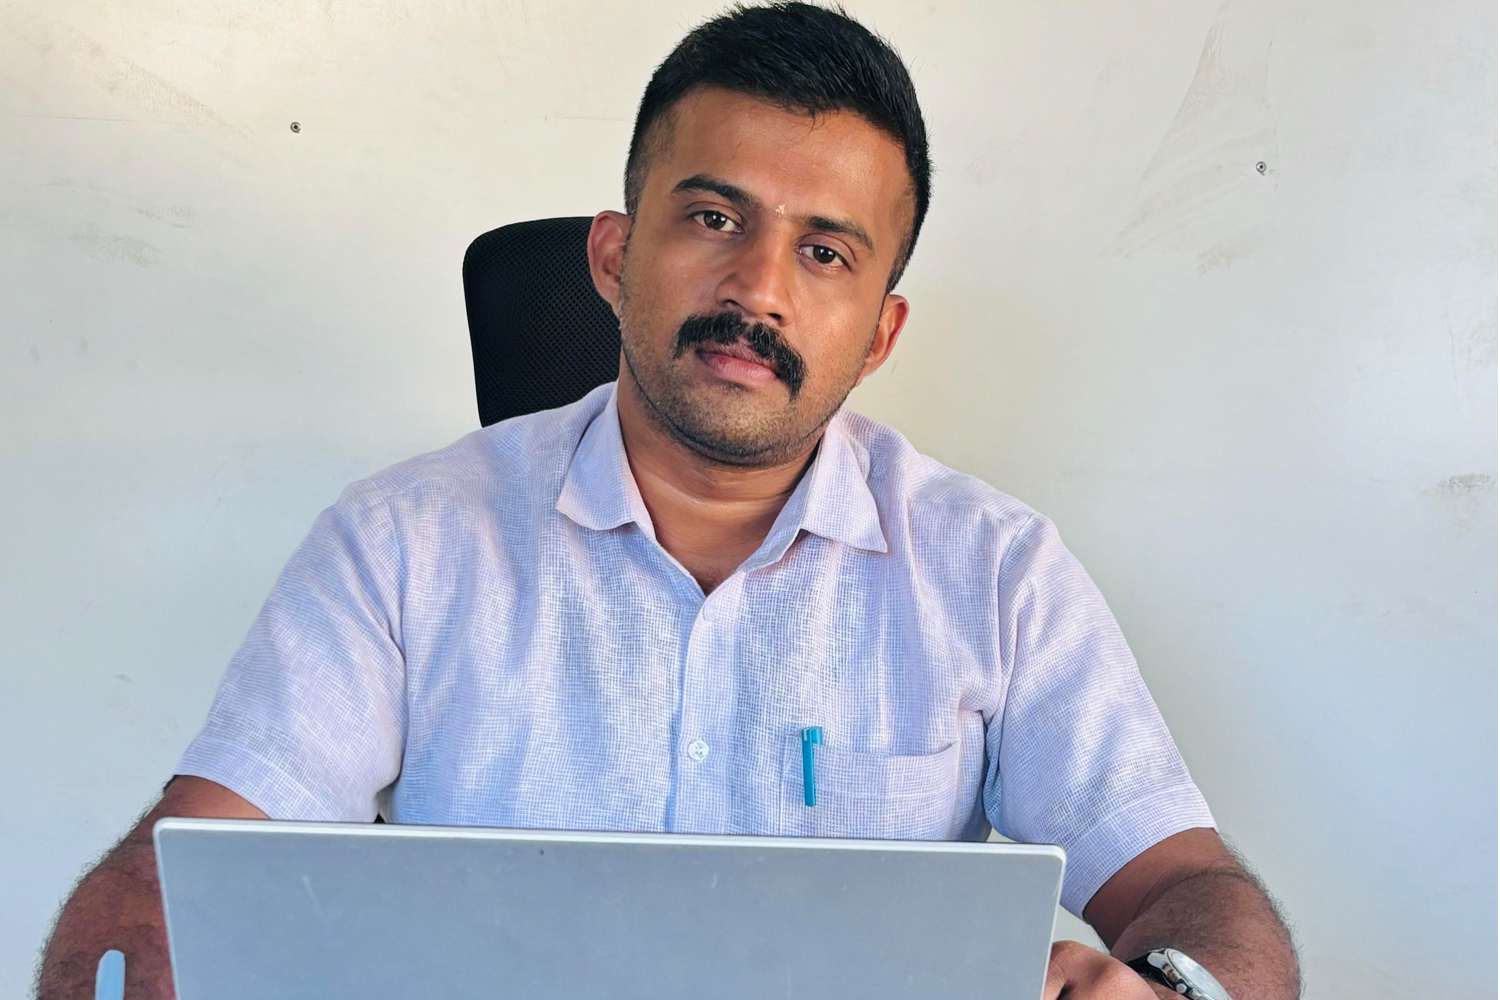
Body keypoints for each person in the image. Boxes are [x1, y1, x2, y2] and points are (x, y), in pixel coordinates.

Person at [38, 4, 1299, 998]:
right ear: (613, 254)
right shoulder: (404, 543)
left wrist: (1169, 985)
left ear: (879, 333)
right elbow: (173, 882)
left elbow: (1195, 890)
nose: (758, 288)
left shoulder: (994, 571)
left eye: (824, 252)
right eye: (712, 217)